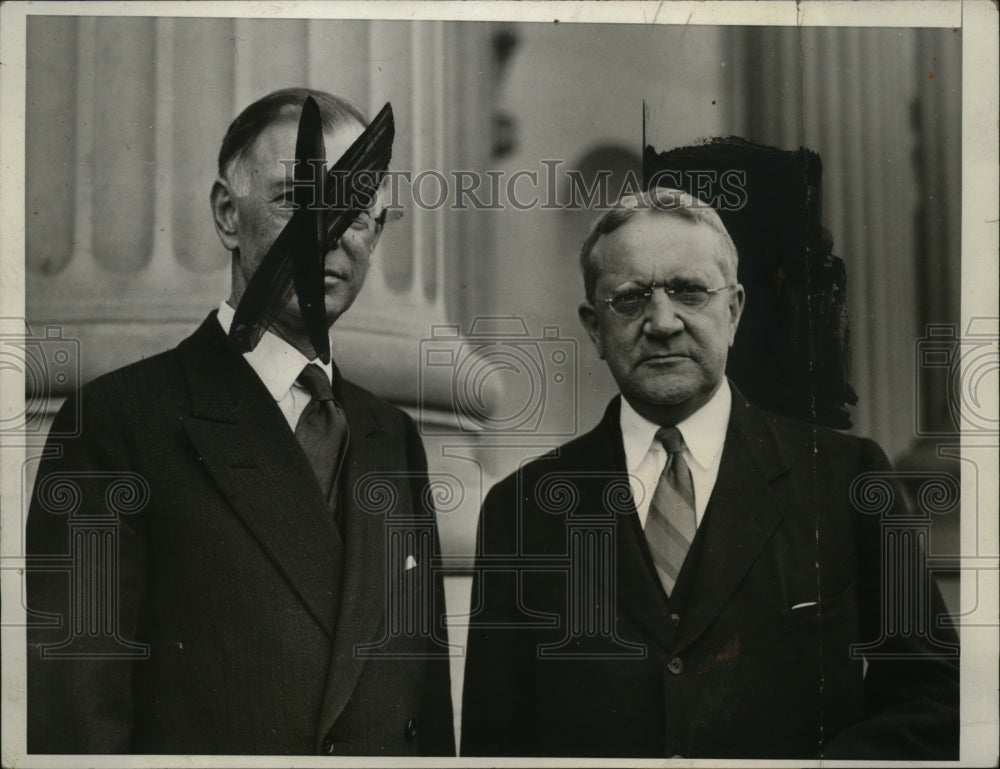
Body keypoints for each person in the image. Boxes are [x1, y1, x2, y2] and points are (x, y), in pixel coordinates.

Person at [26, 88, 454, 756]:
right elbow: (79, 723)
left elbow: (426, 716)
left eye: (356, 211)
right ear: (229, 215)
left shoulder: (392, 437)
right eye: (296, 199)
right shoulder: (118, 425)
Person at [460, 187, 959, 759]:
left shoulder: (848, 480)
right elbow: (492, 748)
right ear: (595, 328)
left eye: (689, 291)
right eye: (630, 299)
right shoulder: (521, 511)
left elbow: (934, 697)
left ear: (734, 310)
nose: (662, 322)